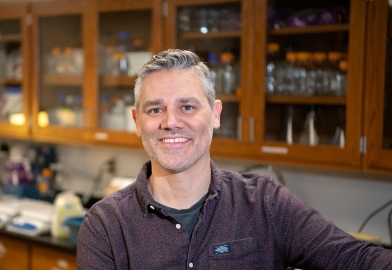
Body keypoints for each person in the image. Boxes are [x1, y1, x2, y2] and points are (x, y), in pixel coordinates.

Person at [77, 49, 392, 269]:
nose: (170, 122)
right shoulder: (105, 225)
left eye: (187, 107)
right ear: (136, 121)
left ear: (214, 115)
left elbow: (356, 259)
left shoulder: (266, 203)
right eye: (155, 109)